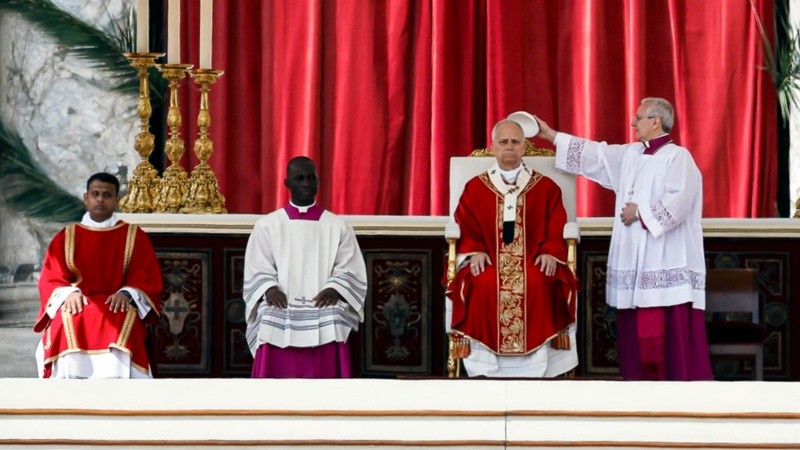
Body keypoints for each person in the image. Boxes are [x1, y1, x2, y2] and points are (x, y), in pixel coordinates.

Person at [535, 97, 713, 380]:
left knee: (665, 335)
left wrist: (640, 213)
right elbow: (597, 155)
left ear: (656, 121)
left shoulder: (678, 157)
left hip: (664, 258)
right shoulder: (631, 154)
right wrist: (551, 136)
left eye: (639, 117)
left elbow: (680, 201)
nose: (633, 123)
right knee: (634, 330)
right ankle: (636, 388)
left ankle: (675, 393)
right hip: (633, 257)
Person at [446, 118, 578, 377]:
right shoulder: (475, 187)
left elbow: (557, 224)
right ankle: (484, 366)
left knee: (542, 282)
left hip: (534, 258)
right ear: (493, 147)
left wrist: (551, 251)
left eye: (515, 142)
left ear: (524, 147)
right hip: (489, 260)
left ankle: (539, 365)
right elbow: (465, 223)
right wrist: (475, 250)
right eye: (503, 142)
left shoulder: (546, 188)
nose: (509, 147)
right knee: (481, 283)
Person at [243, 156, 368, 378]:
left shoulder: (337, 226)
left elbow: (349, 266)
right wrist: (270, 289)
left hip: (323, 302)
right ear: (287, 183)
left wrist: (334, 289)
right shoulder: (268, 226)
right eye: (299, 178)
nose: (306, 184)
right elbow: (258, 265)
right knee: (267, 316)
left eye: (311, 178)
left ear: (318, 181)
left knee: (335, 316)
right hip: (282, 302)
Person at [34, 172, 163, 378]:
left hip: (117, 305)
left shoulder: (133, 235)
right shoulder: (67, 236)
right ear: (86, 198)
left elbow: (145, 275)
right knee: (67, 316)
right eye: (95, 194)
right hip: (78, 304)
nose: (100, 199)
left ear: (116, 200)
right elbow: (51, 276)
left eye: (107, 194)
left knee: (125, 316)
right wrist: (68, 294)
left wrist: (127, 294)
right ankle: (68, 387)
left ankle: (120, 387)